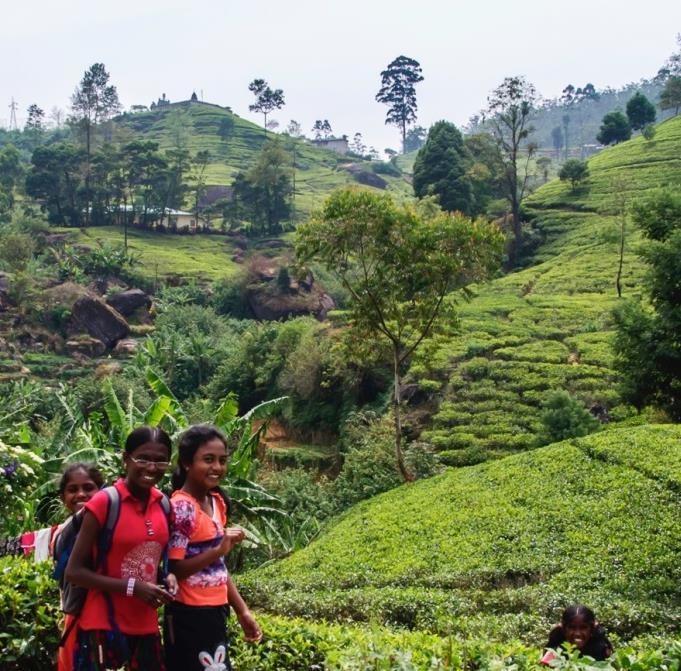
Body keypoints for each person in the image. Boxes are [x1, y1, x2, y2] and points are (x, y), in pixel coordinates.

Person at [65, 426, 177, 671]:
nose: (151, 467)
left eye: (160, 461)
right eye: (143, 458)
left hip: (146, 626)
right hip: (103, 626)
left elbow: (146, 563)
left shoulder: (164, 505)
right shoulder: (105, 502)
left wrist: (167, 577)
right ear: (126, 459)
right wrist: (132, 588)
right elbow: (74, 572)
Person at [165, 424, 262, 671]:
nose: (217, 467)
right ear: (187, 462)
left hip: (215, 611)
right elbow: (174, 568)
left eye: (222, 460)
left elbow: (218, 569)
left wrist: (242, 611)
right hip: (189, 614)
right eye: (208, 460)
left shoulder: (217, 501)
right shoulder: (183, 507)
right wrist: (219, 550)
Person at [53, 463, 105, 671]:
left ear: (100, 492)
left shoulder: (110, 526)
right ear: (62, 497)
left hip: (112, 615)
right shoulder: (65, 533)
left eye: (88, 488)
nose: (81, 494)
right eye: (72, 490)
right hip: (79, 617)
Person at [542, 605, 613, 663]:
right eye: (572, 627)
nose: (577, 633)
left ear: (591, 629)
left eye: (583, 627)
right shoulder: (555, 649)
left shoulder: (601, 648)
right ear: (564, 628)